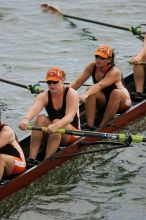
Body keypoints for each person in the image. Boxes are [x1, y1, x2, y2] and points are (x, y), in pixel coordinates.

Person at [19, 66, 80, 161]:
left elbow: (69, 117)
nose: (52, 85)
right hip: (53, 131)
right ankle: (31, 158)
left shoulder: (71, 93)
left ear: (62, 80)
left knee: (56, 121)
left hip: (72, 133)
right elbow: (34, 109)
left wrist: (56, 125)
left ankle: (46, 161)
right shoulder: (43, 96)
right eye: (49, 82)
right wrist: (26, 119)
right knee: (40, 118)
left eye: (55, 82)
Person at [71, 44, 132, 129]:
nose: (98, 60)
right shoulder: (92, 66)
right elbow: (78, 82)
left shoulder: (114, 71)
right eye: (97, 56)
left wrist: (86, 94)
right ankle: (90, 126)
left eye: (102, 58)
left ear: (109, 59)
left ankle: (102, 126)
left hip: (123, 102)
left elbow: (100, 85)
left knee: (115, 93)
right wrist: (64, 91)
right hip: (105, 100)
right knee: (91, 91)